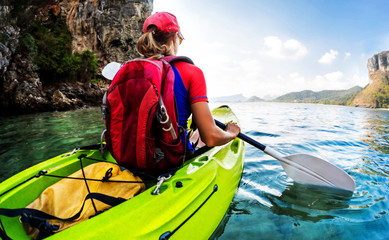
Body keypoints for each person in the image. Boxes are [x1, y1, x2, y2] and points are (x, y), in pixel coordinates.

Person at [136, 11, 240, 151]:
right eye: (180, 39)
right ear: (174, 37)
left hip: (132, 154)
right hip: (168, 160)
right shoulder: (191, 72)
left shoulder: (132, 71)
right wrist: (231, 133)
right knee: (198, 135)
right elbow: (210, 137)